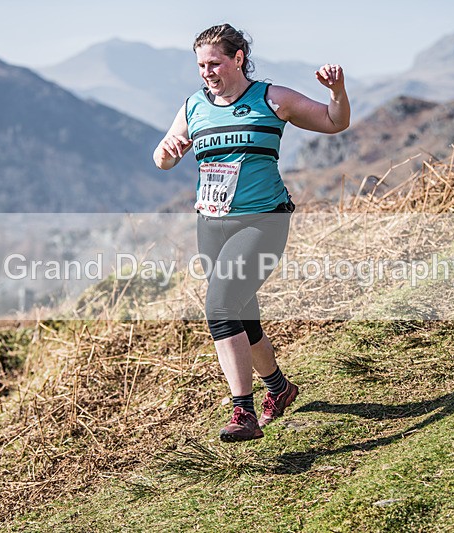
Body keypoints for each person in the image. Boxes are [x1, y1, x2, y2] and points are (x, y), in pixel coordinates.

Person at [153, 23, 350, 442]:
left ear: (238, 58)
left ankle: (242, 411)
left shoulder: (272, 99)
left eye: (214, 63)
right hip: (211, 225)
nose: (206, 72)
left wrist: (337, 91)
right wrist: (167, 154)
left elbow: (335, 121)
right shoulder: (193, 107)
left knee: (220, 307)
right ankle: (279, 388)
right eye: (201, 65)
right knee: (243, 315)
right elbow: (163, 156)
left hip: (263, 221)